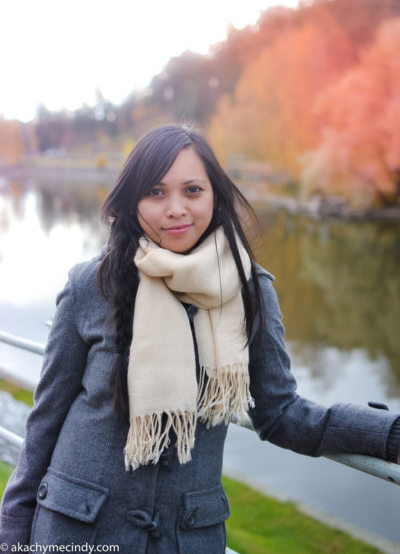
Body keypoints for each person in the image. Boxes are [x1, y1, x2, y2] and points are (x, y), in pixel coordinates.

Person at [0, 124, 399, 553]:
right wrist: (11, 536)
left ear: (215, 197)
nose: (175, 209)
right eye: (155, 192)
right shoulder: (90, 286)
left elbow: (279, 413)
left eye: (192, 190)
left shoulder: (250, 290)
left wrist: (386, 434)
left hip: (186, 537)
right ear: (132, 201)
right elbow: (45, 421)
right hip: (78, 531)